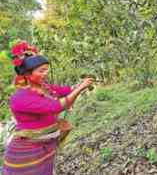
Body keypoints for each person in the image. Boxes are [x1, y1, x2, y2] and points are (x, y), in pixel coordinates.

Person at [2, 41, 93, 175]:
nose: (45, 74)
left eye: (47, 70)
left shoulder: (43, 87)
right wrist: (80, 89)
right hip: (27, 152)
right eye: (41, 71)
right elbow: (56, 106)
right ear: (27, 74)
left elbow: (63, 90)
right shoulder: (20, 98)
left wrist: (79, 85)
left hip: (45, 146)